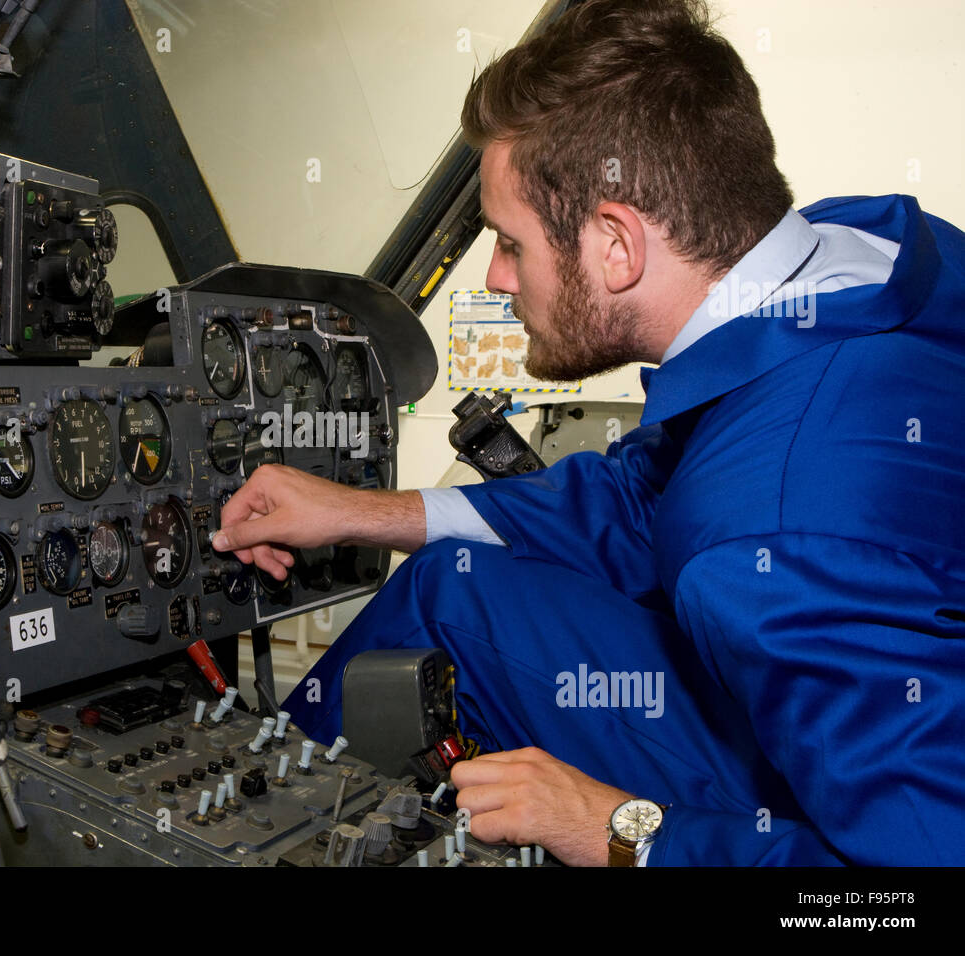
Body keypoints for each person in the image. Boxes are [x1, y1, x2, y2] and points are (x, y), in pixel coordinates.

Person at [213, 0, 965, 865]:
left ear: (617, 244)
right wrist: (361, 512)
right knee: (450, 588)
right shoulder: (873, 247)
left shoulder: (769, 544)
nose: (496, 279)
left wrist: (620, 830)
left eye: (508, 243)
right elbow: (639, 494)